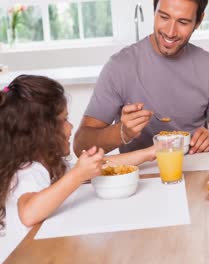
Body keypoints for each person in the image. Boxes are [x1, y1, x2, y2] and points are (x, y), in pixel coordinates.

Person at [0, 75, 159, 261]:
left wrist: (151, 152)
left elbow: (102, 163)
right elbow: (28, 213)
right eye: (64, 120)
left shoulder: (51, 164)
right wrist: (77, 174)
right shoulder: (26, 170)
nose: (71, 126)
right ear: (41, 131)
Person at [73, 0, 209, 156]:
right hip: (142, 175)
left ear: (198, 21)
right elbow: (80, 147)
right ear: (154, 11)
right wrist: (122, 132)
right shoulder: (120, 66)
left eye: (183, 22)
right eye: (164, 17)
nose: (170, 32)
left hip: (197, 172)